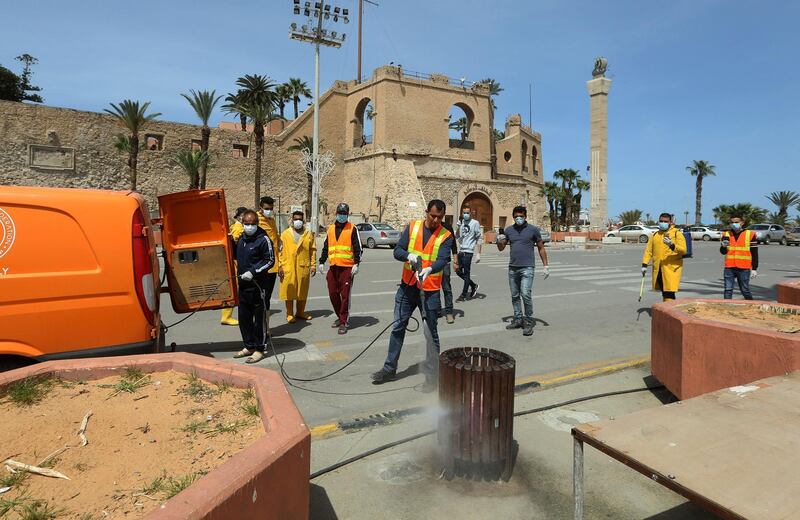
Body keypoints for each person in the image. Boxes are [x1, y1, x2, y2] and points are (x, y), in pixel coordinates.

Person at [371, 199, 454, 392]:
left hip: (430, 291)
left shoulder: (446, 235)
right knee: (398, 326)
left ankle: (432, 377)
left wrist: (430, 269)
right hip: (407, 288)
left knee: (430, 333)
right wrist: (408, 256)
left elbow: (443, 259)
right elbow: (397, 251)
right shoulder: (413, 227)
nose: (435, 220)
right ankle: (389, 369)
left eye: (439, 217)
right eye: (432, 216)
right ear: (426, 212)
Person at [496, 206, 549, 336]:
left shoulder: (533, 230)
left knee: (525, 294)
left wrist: (546, 266)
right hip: (513, 268)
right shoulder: (509, 230)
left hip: (527, 267)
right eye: (516, 216)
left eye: (521, 216)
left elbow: (541, 247)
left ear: (525, 216)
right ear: (513, 217)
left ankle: (529, 321)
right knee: (515, 296)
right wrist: (499, 241)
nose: (518, 218)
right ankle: (518, 319)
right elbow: (501, 248)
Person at [233, 210, 275, 364]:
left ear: (257, 223)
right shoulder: (241, 239)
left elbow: (270, 260)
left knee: (259, 319)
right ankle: (249, 345)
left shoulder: (263, 239)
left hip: (258, 285)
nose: (249, 226)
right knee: (244, 318)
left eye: (252, 224)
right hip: (243, 285)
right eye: (247, 224)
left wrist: (253, 271)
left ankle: (259, 348)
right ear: (242, 223)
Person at [318, 203, 362, 334]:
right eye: (340, 213)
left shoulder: (352, 228)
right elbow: (326, 246)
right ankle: (339, 316)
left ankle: (343, 321)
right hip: (334, 266)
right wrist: (321, 261)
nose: (342, 216)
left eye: (344, 214)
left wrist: (357, 264)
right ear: (336, 213)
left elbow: (358, 247)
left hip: (347, 268)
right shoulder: (330, 229)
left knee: (345, 296)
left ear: (347, 215)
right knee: (333, 294)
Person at [278, 210, 317, 322]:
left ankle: (300, 312)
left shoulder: (308, 234)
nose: (298, 221)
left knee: (302, 290)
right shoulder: (285, 234)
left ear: (303, 221)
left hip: (303, 266)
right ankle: (289, 314)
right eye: (296, 219)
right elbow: (279, 251)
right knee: (289, 291)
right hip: (288, 266)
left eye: (300, 219)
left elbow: (312, 250)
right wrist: (280, 266)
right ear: (292, 220)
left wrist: (313, 265)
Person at [642, 213, 686, 302]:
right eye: (661, 221)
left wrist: (672, 245)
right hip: (658, 268)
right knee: (664, 291)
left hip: (671, 269)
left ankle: (669, 311)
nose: (663, 223)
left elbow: (683, 250)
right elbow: (648, 251)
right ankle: (668, 310)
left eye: (665, 221)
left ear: (670, 222)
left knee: (669, 292)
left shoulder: (677, 234)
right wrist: (644, 264)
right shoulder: (655, 235)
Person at [720, 216, 759, 299]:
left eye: (736, 222)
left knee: (745, 290)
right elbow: (723, 252)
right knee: (728, 289)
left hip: (744, 267)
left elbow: (754, 253)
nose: (734, 224)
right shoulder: (726, 234)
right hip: (729, 267)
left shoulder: (750, 234)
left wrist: (754, 268)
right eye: (732, 222)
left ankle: (751, 305)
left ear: (742, 223)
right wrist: (723, 246)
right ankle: (726, 307)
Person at [221, 206, 248, 326]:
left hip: (235, 260)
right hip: (236, 261)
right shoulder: (238, 227)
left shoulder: (235, 226)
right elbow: (237, 240)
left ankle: (227, 315)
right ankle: (226, 316)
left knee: (235, 288)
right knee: (234, 288)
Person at [257, 196, 281, 331]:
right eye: (267, 209)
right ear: (260, 208)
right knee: (260, 298)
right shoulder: (254, 220)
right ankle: (260, 327)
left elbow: (275, 240)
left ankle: (265, 327)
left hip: (273, 266)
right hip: (261, 266)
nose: (269, 211)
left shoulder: (272, 220)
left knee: (267, 298)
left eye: (271, 209)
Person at [455, 206, 483, 301]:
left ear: (471, 213)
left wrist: (478, 253)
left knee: (466, 274)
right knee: (457, 271)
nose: (465, 214)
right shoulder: (461, 223)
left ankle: (463, 295)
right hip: (461, 250)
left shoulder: (475, 223)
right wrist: (458, 226)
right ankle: (473, 285)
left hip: (469, 251)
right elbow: (457, 236)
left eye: (467, 212)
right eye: (464, 213)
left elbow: (479, 237)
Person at [440, 220, 459, 324]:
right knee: (433, 289)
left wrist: (455, 261)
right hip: (431, 263)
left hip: (445, 262)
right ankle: (437, 310)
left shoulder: (447, 227)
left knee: (446, 288)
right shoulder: (428, 226)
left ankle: (449, 312)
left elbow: (453, 245)